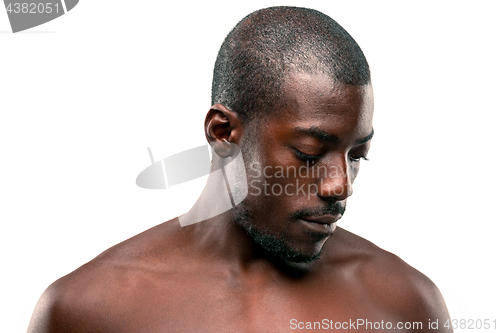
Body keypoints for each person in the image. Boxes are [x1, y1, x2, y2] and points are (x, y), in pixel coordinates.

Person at [28, 6, 453, 332]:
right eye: (308, 154)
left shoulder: (405, 306)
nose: (340, 186)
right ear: (223, 132)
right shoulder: (87, 311)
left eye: (356, 156)